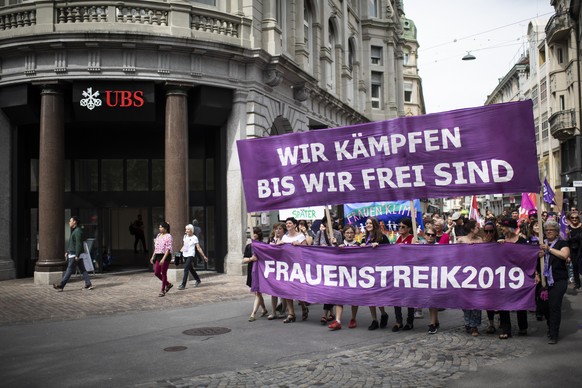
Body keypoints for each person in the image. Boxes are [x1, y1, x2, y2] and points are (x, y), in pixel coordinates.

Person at [496, 217, 528, 339]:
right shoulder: (501, 241)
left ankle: (522, 326)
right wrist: (499, 246)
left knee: (520, 300)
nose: (501, 229)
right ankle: (506, 329)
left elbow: (527, 258)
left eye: (503, 227)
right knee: (503, 301)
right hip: (504, 275)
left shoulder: (521, 242)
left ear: (509, 227)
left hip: (519, 275)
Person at [539, 220, 570, 344]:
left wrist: (549, 249)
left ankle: (554, 334)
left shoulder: (562, 243)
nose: (549, 231)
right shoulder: (542, 243)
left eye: (551, 229)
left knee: (554, 306)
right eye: (547, 230)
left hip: (558, 280)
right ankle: (550, 326)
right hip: (544, 281)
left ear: (557, 232)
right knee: (544, 307)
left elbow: (564, 255)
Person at [360, 217, 390, 330]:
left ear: (375, 224)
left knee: (377, 295)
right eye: (366, 223)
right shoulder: (365, 238)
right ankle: (374, 320)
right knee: (369, 296)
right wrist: (362, 246)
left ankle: (383, 314)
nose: (368, 225)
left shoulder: (382, 237)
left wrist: (379, 247)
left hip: (378, 270)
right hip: (367, 270)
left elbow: (389, 251)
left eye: (370, 223)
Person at [328, 224, 360, 330]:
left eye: (351, 233)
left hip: (354, 274)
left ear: (354, 234)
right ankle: (338, 320)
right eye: (347, 233)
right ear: (344, 234)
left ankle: (353, 318)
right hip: (342, 274)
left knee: (354, 298)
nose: (349, 235)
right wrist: (336, 247)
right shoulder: (340, 244)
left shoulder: (359, 245)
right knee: (339, 297)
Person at [456, 219, 483, 336]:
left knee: (476, 299)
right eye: (477, 227)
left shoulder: (480, 240)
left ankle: (474, 326)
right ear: (472, 229)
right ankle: (468, 322)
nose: (478, 229)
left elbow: (484, 254)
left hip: (477, 272)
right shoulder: (461, 240)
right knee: (465, 299)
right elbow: (455, 254)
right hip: (464, 272)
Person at [313, 216, 343, 324]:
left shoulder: (338, 234)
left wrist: (335, 244)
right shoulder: (319, 233)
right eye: (327, 221)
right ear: (324, 223)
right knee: (327, 289)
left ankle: (325, 314)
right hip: (323, 264)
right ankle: (330, 313)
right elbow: (314, 246)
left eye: (331, 221)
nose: (329, 223)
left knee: (332, 289)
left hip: (335, 265)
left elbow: (342, 248)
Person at [279, 217, 308, 323]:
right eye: (286, 223)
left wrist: (299, 245)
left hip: (298, 267)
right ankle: (291, 313)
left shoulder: (300, 236)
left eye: (290, 223)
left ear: (295, 225)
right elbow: (279, 250)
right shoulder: (285, 237)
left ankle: (304, 306)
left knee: (298, 289)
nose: (287, 225)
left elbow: (306, 249)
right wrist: (279, 245)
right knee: (287, 289)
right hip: (287, 267)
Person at [53, 216, 93, 291]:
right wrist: (68, 251)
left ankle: (61, 285)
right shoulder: (76, 230)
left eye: (70, 221)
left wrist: (77, 255)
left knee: (69, 270)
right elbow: (73, 243)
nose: (69, 222)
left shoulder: (77, 231)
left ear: (74, 222)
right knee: (83, 269)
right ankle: (88, 284)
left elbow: (78, 244)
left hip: (74, 254)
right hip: (74, 254)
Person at [393, 217, 416, 331]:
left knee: (409, 297)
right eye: (399, 226)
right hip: (398, 271)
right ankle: (398, 321)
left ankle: (410, 321)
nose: (400, 228)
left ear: (409, 228)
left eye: (403, 227)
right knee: (397, 297)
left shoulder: (412, 239)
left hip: (408, 272)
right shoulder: (398, 239)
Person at [243, 226, 268, 322]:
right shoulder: (249, 247)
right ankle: (264, 309)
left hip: (260, 270)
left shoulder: (262, 245)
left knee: (258, 291)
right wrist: (251, 259)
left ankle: (253, 313)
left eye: (255, 233)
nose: (253, 235)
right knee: (257, 292)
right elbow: (244, 259)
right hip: (251, 270)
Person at [420, 224, 441, 334]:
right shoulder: (420, 246)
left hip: (434, 276)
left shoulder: (438, 247)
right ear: (424, 235)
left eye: (433, 235)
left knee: (432, 299)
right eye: (428, 234)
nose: (430, 237)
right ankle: (436, 320)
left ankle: (432, 323)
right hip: (423, 276)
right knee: (429, 299)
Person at [482, 221, 500, 334]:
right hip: (486, 275)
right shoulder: (481, 244)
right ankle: (491, 323)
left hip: (498, 274)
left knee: (499, 299)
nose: (489, 233)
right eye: (486, 231)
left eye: (491, 231)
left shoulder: (499, 243)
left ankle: (501, 320)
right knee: (488, 301)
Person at [178, 224, 208, 290]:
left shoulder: (194, 238)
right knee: (190, 268)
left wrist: (204, 256)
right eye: (186, 229)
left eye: (188, 229)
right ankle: (198, 280)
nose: (187, 230)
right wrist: (179, 252)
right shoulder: (185, 236)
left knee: (186, 268)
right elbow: (184, 246)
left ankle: (183, 284)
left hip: (191, 254)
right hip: (185, 254)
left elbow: (198, 248)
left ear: (192, 230)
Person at [267, 222, 287, 319]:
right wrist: (275, 239)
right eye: (276, 229)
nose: (277, 231)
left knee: (283, 290)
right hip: (274, 267)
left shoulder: (286, 239)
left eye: (279, 229)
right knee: (273, 290)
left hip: (284, 267)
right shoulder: (272, 239)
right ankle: (273, 311)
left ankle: (283, 310)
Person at [149, 221, 173, 297]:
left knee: (163, 272)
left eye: (161, 227)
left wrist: (163, 259)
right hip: (158, 255)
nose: (159, 228)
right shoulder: (158, 235)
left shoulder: (168, 236)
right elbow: (156, 247)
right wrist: (153, 256)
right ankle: (168, 284)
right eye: (159, 227)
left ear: (165, 228)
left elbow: (168, 249)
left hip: (165, 256)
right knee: (156, 272)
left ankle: (162, 290)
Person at [566, 212, 582, 290]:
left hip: (581, 249)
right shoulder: (568, 228)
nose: (574, 219)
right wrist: (568, 235)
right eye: (572, 218)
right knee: (575, 267)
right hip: (573, 250)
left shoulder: (581, 226)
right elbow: (566, 241)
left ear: (578, 218)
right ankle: (577, 283)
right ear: (570, 219)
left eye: (576, 217)